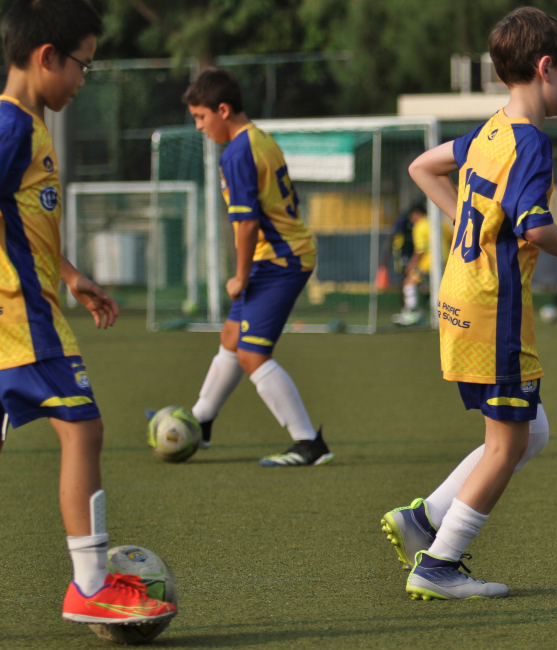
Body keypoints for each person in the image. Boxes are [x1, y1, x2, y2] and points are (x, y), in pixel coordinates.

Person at [385, 7, 557, 600]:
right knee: (508, 443)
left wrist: (468, 220)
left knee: (529, 431)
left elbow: (423, 166)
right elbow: (535, 227)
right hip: (494, 308)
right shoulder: (531, 141)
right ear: (544, 69)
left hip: (461, 298)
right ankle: (438, 563)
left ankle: (423, 518)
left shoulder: (490, 131)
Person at [0, 0, 177, 625]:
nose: (83, 79)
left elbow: (23, 225)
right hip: (22, 323)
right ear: (47, 57)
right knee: (84, 429)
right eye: (83, 65)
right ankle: (92, 583)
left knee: (82, 430)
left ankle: (93, 580)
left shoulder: (30, 126)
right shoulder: (11, 126)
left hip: (34, 313)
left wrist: (71, 276)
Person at [180, 68, 332, 467]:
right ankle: (201, 420)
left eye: (201, 117)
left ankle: (308, 443)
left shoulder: (236, 152)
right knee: (232, 335)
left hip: (280, 260)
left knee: (252, 355)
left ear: (223, 110)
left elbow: (246, 222)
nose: (199, 126)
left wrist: (241, 276)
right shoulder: (257, 137)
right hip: (281, 255)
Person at [393, 203, 452, 326]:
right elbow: (451, 239)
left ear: (416, 214)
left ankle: (412, 313)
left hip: (428, 263)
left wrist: (411, 265)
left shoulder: (420, 226)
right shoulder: (440, 223)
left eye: (412, 217)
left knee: (409, 283)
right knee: (439, 289)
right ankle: (445, 315)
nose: (411, 220)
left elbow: (420, 249)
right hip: (445, 261)